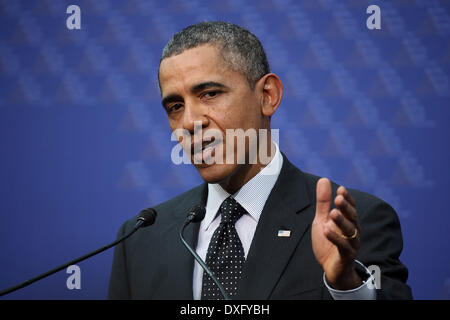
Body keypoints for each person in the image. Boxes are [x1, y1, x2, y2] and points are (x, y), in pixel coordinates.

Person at [108, 21, 412, 300]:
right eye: (175, 106)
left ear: (268, 95)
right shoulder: (140, 240)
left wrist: (346, 285)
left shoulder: (352, 225)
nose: (189, 122)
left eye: (210, 94)